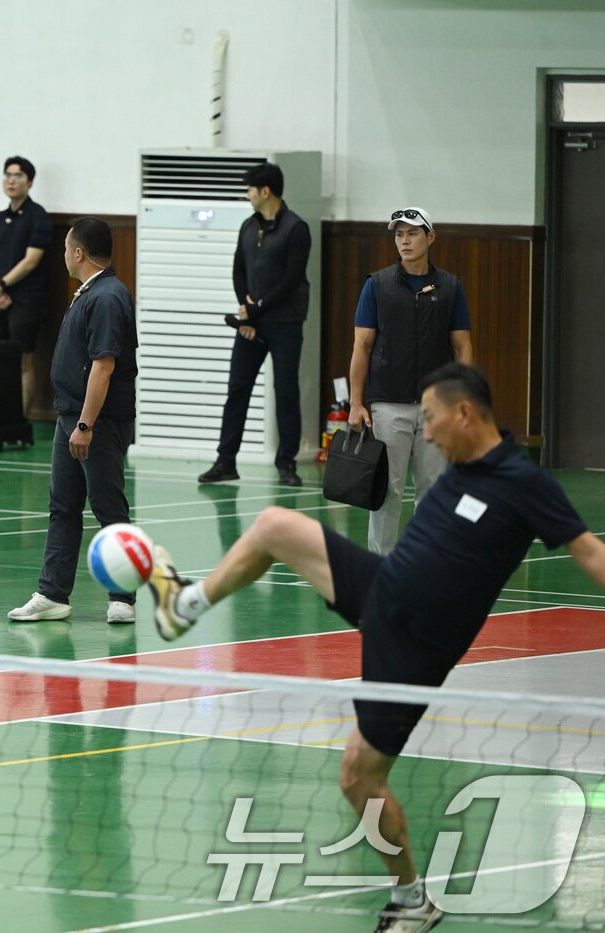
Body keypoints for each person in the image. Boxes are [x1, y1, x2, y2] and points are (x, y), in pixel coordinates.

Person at [146, 363, 605, 933]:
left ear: (465, 413)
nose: (427, 433)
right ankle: (183, 606)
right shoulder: (460, 466)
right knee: (271, 525)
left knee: (357, 778)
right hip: (381, 588)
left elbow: (589, 553)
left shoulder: (525, 483)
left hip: (414, 650)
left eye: (433, 419)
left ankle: (412, 898)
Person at [9, 218, 138, 624]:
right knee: (62, 507)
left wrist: (85, 424)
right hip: (71, 416)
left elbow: (103, 366)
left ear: (79, 253)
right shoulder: (89, 293)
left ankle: (123, 597)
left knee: (107, 505)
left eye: (67, 248)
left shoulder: (108, 297)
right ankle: (53, 593)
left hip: (95, 422)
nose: (65, 254)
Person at [349, 207, 473, 554]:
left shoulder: (450, 286)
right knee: (387, 488)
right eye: (399, 234)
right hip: (388, 403)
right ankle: (380, 566)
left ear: (430, 236)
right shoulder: (377, 284)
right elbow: (362, 345)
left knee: (433, 489)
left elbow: (462, 347)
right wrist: (357, 404)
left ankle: (427, 566)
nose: (405, 240)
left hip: (437, 407)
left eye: (413, 233)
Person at [198, 162, 313, 488]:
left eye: (250, 189)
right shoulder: (249, 226)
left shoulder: (296, 228)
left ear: (265, 191)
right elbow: (238, 271)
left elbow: (292, 279)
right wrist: (247, 311)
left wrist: (255, 312)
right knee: (237, 390)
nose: (247, 195)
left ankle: (287, 464)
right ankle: (226, 461)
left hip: (285, 323)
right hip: (253, 324)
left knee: (285, 392)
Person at [0, 155, 52, 415]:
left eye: (18, 176)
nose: (11, 180)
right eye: (8, 175)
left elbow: (31, 261)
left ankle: (19, 419)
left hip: (27, 300)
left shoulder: (38, 217)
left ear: (30, 182)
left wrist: (1, 284)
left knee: (23, 358)